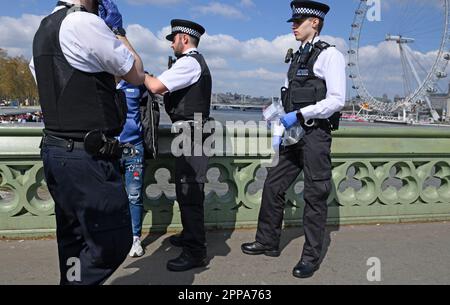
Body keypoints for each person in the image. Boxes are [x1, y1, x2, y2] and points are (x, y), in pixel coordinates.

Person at [30, 0, 145, 284]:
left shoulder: (44, 27)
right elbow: (136, 73)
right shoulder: (84, 23)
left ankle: (70, 279)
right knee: (113, 242)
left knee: (73, 239)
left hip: (57, 151)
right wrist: (117, 30)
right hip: (86, 157)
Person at [241, 0, 346, 279]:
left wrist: (300, 114)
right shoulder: (298, 56)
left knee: (315, 195)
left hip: (315, 135)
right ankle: (267, 241)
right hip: (293, 134)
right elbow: (289, 97)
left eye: (298, 22)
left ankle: (310, 257)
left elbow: (337, 100)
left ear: (315, 22)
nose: (293, 26)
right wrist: (280, 123)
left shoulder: (330, 55)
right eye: (292, 22)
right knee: (273, 185)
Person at [144, 19, 211, 272]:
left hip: (193, 133)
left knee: (190, 192)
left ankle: (196, 252)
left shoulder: (189, 63)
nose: (171, 43)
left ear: (184, 38)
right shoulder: (193, 63)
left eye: (173, 39)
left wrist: (137, 72)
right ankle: (190, 235)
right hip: (192, 131)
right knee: (186, 188)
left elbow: (156, 86)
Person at [117, 80, 148, 257]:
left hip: (134, 148)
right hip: (108, 149)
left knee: (134, 196)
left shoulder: (136, 84)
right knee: (109, 196)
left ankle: (135, 238)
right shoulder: (99, 80)